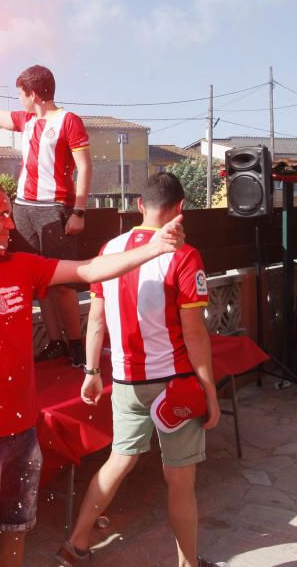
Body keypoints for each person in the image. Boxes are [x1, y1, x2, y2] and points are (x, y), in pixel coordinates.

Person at [0, 179, 183, 567]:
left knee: (16, 525)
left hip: (22, 429)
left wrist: (155, 247)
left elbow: (89, 269)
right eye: (2, 216)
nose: (11, 225)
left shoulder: (22, 267)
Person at [55, 173, 225, 567]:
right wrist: (209, 392)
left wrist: (91, 370)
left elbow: (95, 319)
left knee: (119, 460)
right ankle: (187, 564)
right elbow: (195, 332)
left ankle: (76, 543)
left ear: (139, 206)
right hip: (175, 384)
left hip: (126, 380)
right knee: (180, 482)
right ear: (180, 209)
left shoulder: (109, 248)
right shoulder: (184, 254)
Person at [0, 65, 92, 366]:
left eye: (20, 94)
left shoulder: (69, 120)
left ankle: (76, 345)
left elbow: (85, 167)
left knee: (64, 284)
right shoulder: (27, 120)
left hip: (55, 207)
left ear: (33, 94)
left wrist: (79, 211)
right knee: (38, 279)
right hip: (24, 208)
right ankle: (55, 341)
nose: (18, 100)